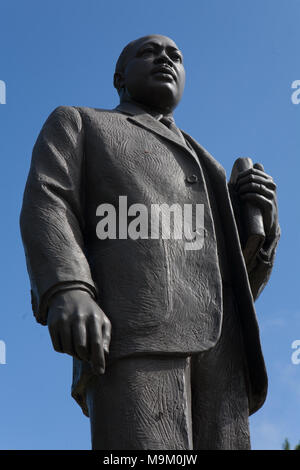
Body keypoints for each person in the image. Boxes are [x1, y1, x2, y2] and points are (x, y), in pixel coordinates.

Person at [20, 35, 280, 450]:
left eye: (176, 55)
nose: (165, 58)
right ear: (119, 78)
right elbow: (49, 201)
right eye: (149, 51)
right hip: (132, 333)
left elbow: (238, 280)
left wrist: (261, 225)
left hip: (224, 356)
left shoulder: (205, 161)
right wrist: (68, 287)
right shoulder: (80, 123)